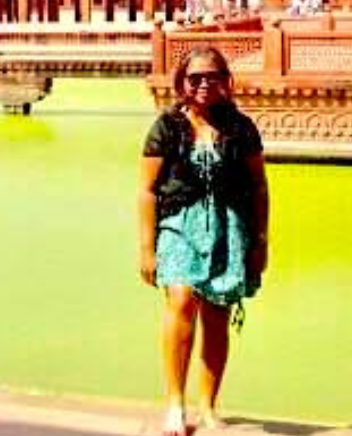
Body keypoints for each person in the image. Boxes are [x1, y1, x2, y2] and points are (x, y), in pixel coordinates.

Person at [139, 47, 270, 435]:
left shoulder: (240, 128)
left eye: (212, 76)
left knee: (216, 315)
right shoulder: (167, 126)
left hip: (229, 228)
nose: (203, 84)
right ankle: (175, 404)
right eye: (194, 78)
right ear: (182, 83)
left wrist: (261, 240)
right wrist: (146, 248)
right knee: (180, 300)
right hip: (179, 224)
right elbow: (147, 189)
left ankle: (208, 407)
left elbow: (259, 185)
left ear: (225, 81)